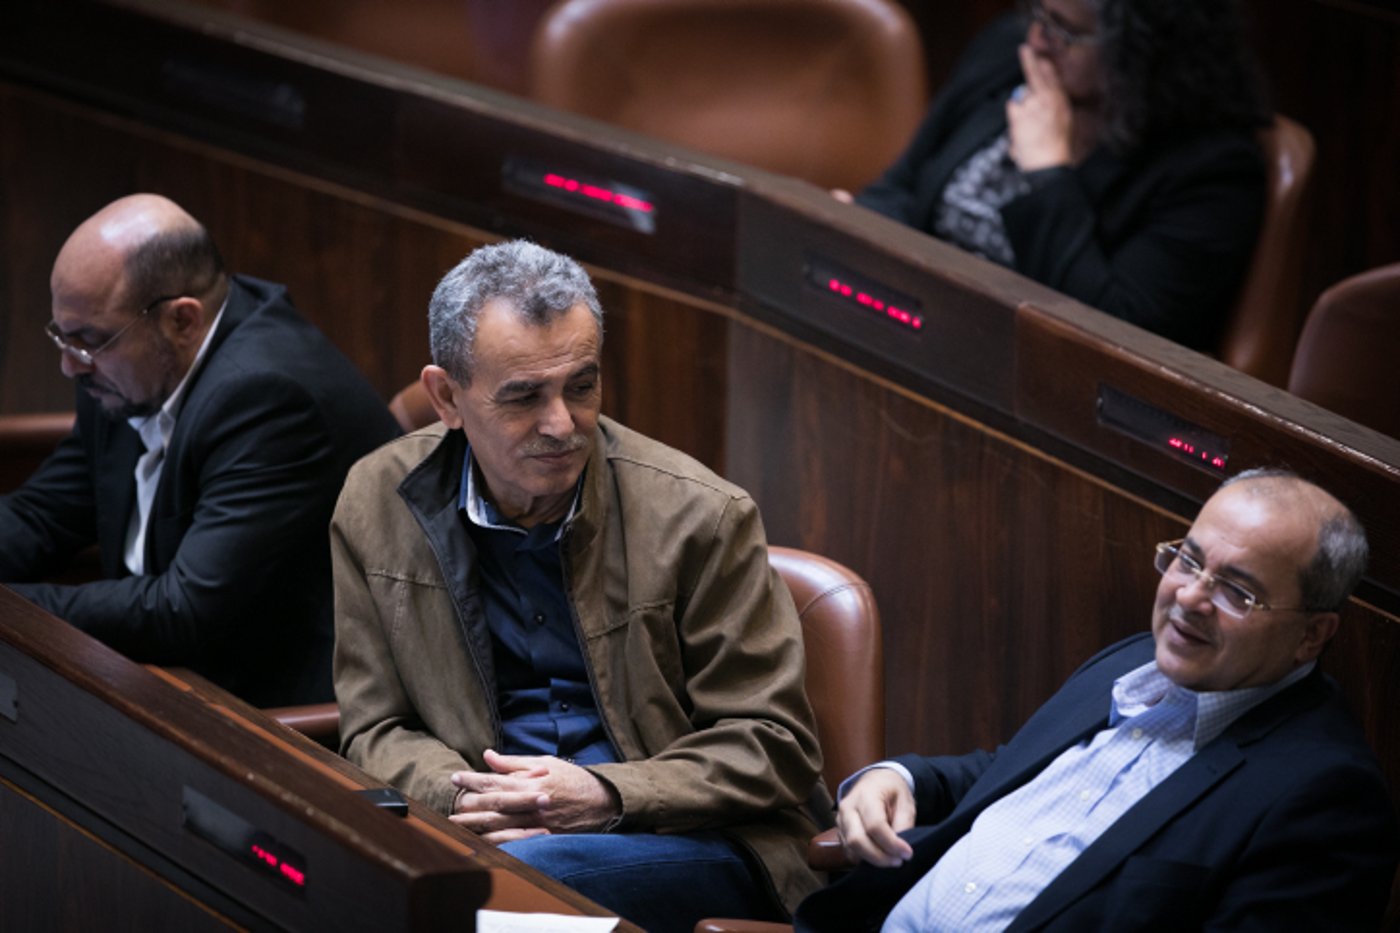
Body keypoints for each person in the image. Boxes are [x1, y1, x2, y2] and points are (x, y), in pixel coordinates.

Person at [331, 240, 827, 932]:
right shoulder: (376, 500)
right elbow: (376, 725)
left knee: (508, 886)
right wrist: (469, 798)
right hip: (485, 828)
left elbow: (774, 743)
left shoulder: (702, 516)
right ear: (446, 397)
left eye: (581, 386)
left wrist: (605, 792)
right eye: (524, 397)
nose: (562, 424)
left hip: (694, 835)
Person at [795, 469, 1399, 932]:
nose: (1190, 598)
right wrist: (899, 778)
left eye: (1238, 591)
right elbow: (1008, 773)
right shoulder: (1136, 660)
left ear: (1312, 635)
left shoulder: (1327, 800)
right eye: (1188, 560)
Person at [0, 194, 400, 707]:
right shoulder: (124, 368)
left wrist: (11, 608)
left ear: (182, 321)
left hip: (280, 711)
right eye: (64, 337)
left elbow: (185, 610)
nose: (70, 365)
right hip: (173, 677)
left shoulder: (267, 398)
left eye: (88, 340)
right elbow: (42, 515)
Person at [842, 0, 1270, 350]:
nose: (1037, 40)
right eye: (1040, 13)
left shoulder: (1212, 172)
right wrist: (858, 232)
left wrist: (1047, 173)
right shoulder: (1008, 53)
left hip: (1031, 382)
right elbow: (905, 186)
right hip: (918, 325)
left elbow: (1116, 338)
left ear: (1142, 46)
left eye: (1067, 31)